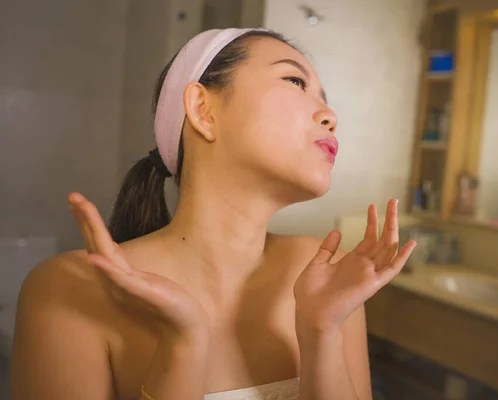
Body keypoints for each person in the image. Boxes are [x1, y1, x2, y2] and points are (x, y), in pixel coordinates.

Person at [10, 28, 416, 400]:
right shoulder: (72, 290)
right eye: (295, 81)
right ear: (203, 110)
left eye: (325, 98)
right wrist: (182, 343)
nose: (331, 116)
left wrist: (321, 332)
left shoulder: (328, 277)